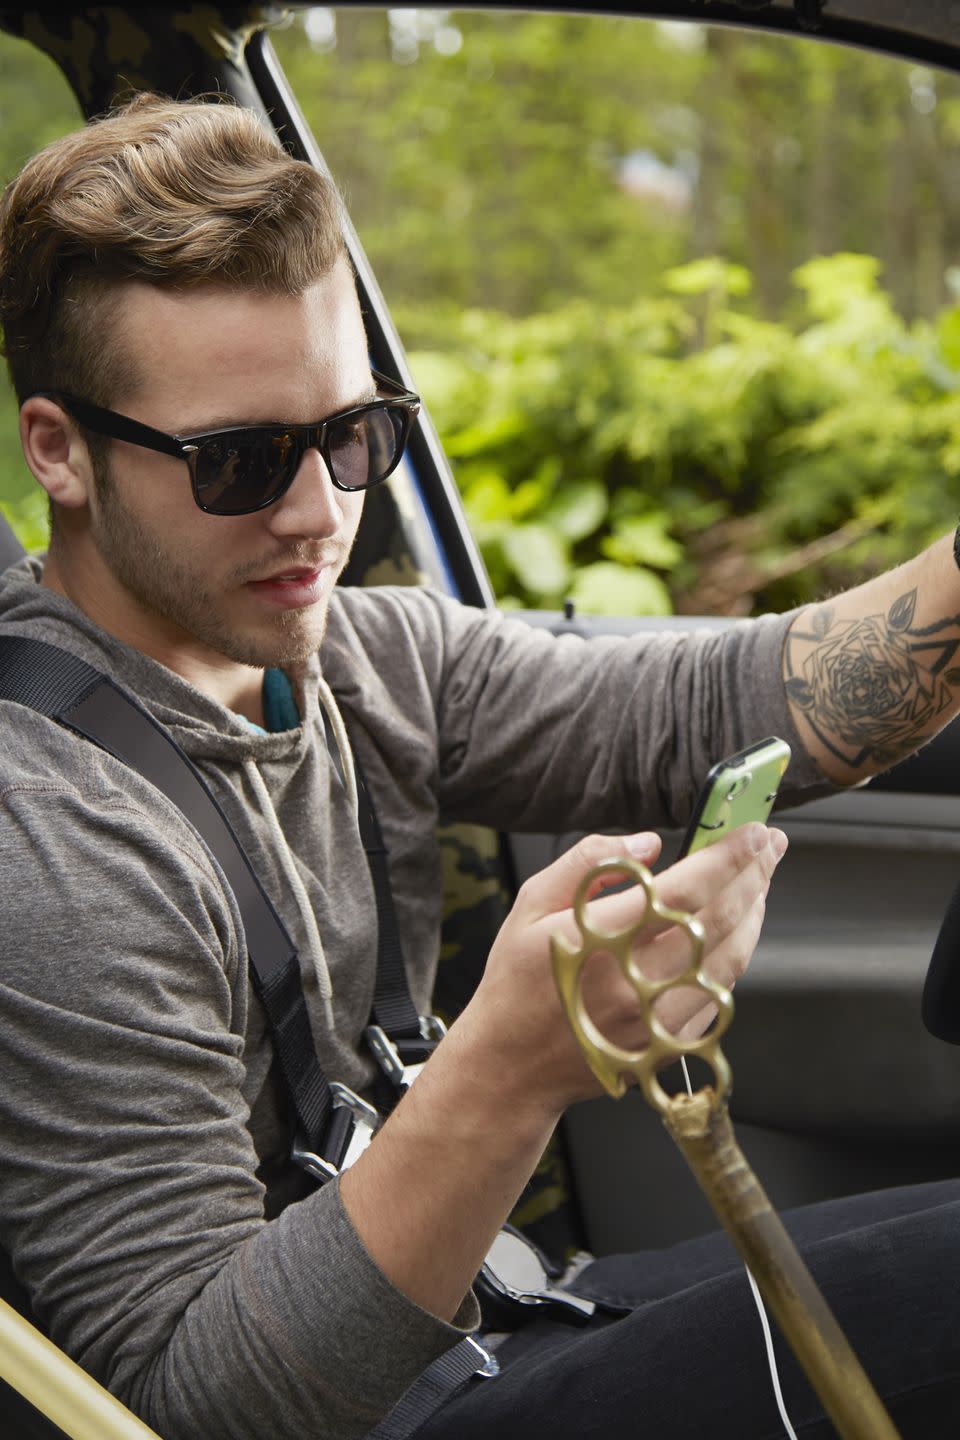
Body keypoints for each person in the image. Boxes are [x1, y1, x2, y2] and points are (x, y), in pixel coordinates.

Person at [0, 93, 956, 1440]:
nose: (321, 512)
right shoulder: (44, 831)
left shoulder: (366, 663)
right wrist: (513, 1069)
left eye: (352, 434)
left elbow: (712, 706)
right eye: (239, 461)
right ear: (61, 449)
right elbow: (200, 1404)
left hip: (505, 1324)